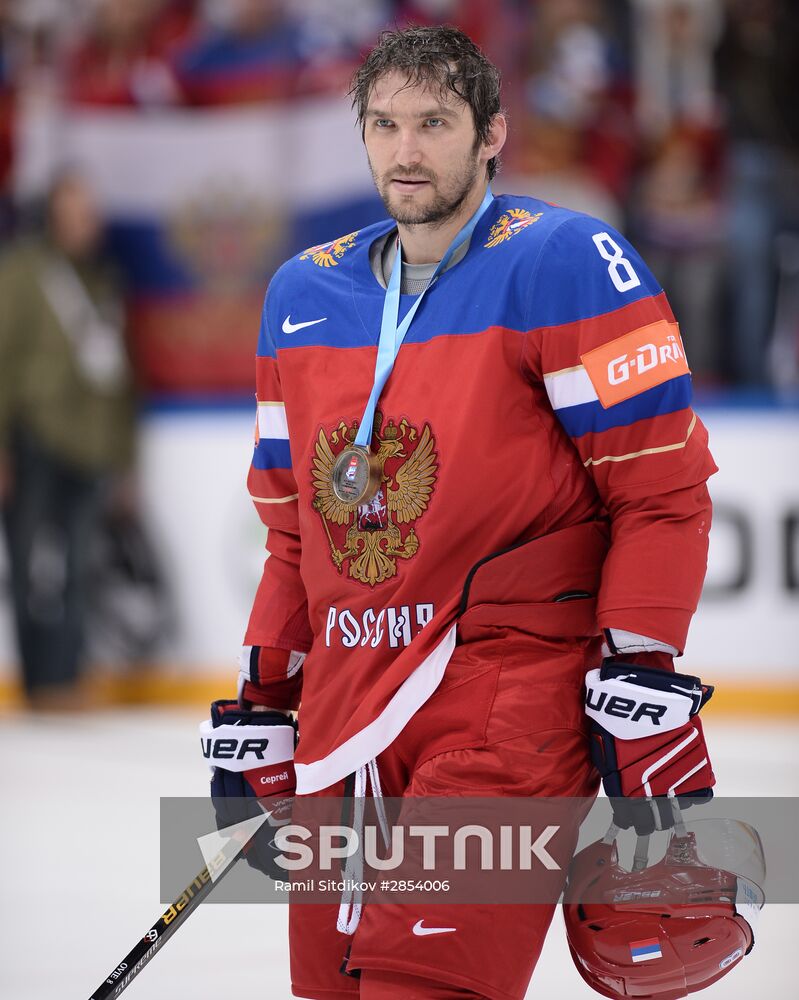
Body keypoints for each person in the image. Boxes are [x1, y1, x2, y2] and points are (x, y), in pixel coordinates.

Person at [202, 25, 719, 1000]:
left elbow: (661, 491)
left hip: (503, 690)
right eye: (386, 124)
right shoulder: (299, 293)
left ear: (491, 133)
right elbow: (294, 532)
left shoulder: (569, 260)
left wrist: (641, 662)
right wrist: (265, 692)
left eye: (434, 123)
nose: (407, 150)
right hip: (346, 706)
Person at [0, 171, 136, 708]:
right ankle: (39, 681)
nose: (91, 224)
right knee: (34, 569)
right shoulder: (22, 274)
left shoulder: (103, 279)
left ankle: (67, 677)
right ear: (53, 218)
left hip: (92, 446)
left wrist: (124, 460)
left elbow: (120, 377)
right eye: (80, 214)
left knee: (80, 571)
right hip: (36, 441)